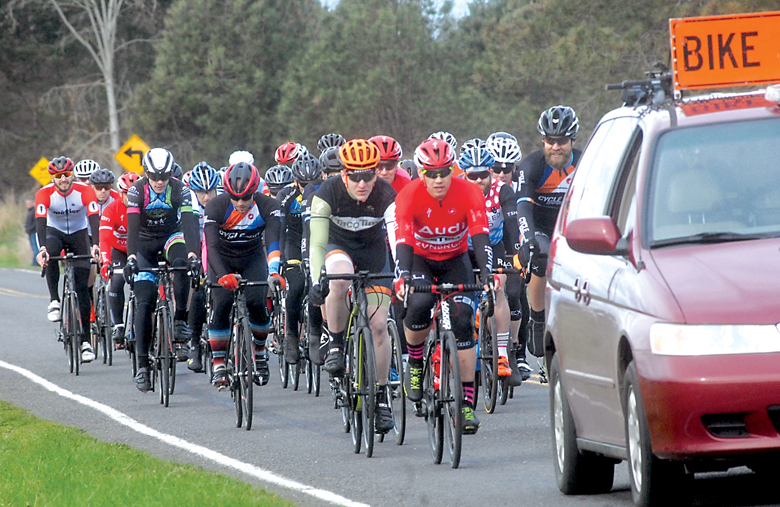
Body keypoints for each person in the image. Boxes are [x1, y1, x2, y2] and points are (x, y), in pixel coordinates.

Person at [392, 138, 495, 435]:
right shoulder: (409, 196)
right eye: (431, 173)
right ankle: (414, 363)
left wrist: (486, 274)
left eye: (445, 171)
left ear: (454, 170)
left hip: (455, 260)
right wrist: (404, 277)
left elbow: (479, 235)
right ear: (421, 173)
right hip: (421, 261)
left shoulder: (469, 192)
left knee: (463, 320)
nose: (439, 179)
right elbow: (403, 243)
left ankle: (465, 404)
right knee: (419, 305)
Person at [308, 138, 397, 434]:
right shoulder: (327, 192)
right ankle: (335, 342)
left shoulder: (386, 193)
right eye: (355, 176)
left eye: (369, 175)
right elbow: (318, 243)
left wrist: (404, 274)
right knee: (339, 278)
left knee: (380, 326)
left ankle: (382, 397)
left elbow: (397, 240)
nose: (363, 183)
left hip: (373, 254)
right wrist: (316, 279)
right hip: (338, 247)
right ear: (343, 174)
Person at [123, 148, 201, 392]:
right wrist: (132, 257)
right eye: (154, 176)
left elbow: (190, 224)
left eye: (164, 176)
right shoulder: (137, 190)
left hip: (172, 237)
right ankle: (143, 365)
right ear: (146, 174)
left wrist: (193, 255)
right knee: (145, 302)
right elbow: (132, 228)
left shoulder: (180, 189)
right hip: (144, 243)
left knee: (181, 265)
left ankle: (179, 319)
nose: (159, 181)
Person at [204, 162, 283, 389]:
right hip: (223, 259)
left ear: (255, 192)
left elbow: (273, 242)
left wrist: (275, 271)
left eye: (246, 198)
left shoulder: (268, 205)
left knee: (258, 303)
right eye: (235, 197)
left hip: (252, 258)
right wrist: (221, 275)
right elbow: (211, 247)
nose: (240, 203)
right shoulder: (216, 207)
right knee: (222, 303)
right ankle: (219, 362)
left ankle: (259, 352)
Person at [514, 105, 581, 360]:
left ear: (571, 140)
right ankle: (538, 318)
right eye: (550, 141)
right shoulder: (531, 166)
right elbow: (522, 209)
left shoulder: (584, 163)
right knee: (539, 254)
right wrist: (528, 239)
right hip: (539, 228)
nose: (556, 146)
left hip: (568, 227)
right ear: (543, 140)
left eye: (561, 141)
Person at [459, 144, 523, 386]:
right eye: (472, 176)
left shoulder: (502, 190)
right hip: (464, 247)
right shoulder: (456, 191)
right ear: (464, 174)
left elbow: (512, 223)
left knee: (498, 289)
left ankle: (503, 355)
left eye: (483, 175)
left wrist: (517, 250)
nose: (478, 180)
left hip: (494, 245)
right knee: (464, 290)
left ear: (490, 172)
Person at [35, 156, 100, 363]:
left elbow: (93, 218)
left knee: (82, 287)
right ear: (53, 177)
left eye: (67, 175)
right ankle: (54, 300)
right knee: (50, 254)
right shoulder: (44, 193)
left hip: (79, 234)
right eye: (59, 176)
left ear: (73, 175)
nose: (64, 179)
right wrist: (42, 249)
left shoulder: (85, 191)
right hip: (55, 233)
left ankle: (85, 341)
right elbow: (40, 223)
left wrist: (96, 245)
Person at [277, 153, 321, 364]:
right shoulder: (287, 196)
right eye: (303, 184)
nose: (307, 187)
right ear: (295, 181)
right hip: (293, 243)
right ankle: (291, 336)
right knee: (295, 286)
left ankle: (315, 333)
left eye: (312, 182)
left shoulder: (324, 192)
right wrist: (281, 259)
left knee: (317, 285)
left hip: (317, 240)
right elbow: (279, 228)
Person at [184, 161, 221, 372]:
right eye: (201, 193)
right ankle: (195, 343)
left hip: (217, 245)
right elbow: (188, 232)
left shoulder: (224, 199)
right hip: (195, 244)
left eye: (210, 191)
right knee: (197, 292)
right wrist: (193, 257)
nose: (206, 197)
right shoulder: (189, 203)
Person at [99, 172, 140, 348]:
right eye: (127, 194)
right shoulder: (112, 209)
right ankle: (119, 325)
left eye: (134, 195)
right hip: (119, 251)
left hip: (140, 251)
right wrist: (106, 262)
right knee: (115, 282)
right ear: (120, 194)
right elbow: (105, 238)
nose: (131, 199)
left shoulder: (145, 209)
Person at [25, 199, 38, 266]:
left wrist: (30, 228)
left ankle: (36, 262)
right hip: (30, 232)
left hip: (34, 232)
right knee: (33, 247)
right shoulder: (30, 212)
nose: (28, 205)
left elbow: (36, 222)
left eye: (29, 203)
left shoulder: (34, 211)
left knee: (36, 247)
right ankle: (35, 262)